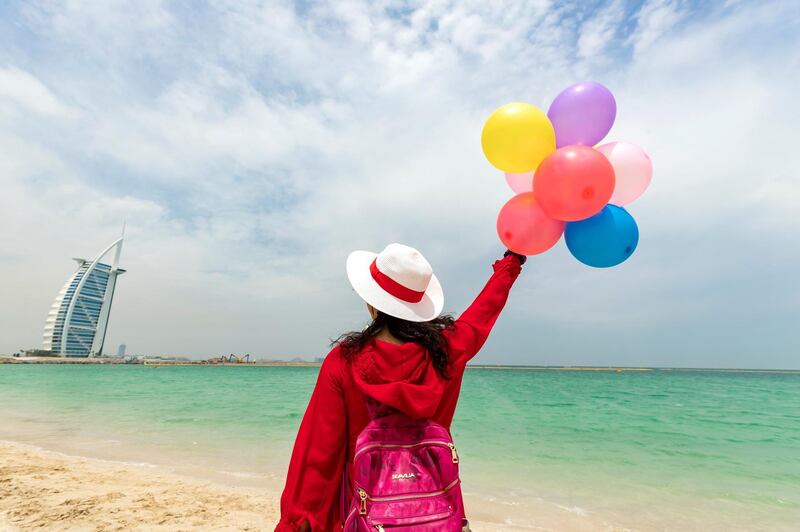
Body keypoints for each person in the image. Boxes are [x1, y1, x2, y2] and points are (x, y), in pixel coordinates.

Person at [275, 243, 525, 531]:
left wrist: (296, 521)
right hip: (434, 512)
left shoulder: (344, 361)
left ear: (372, 304)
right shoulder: (448, 352)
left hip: (366, 513)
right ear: (420, 306)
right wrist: (511, 263)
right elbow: (482, 313)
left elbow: (318, 454)